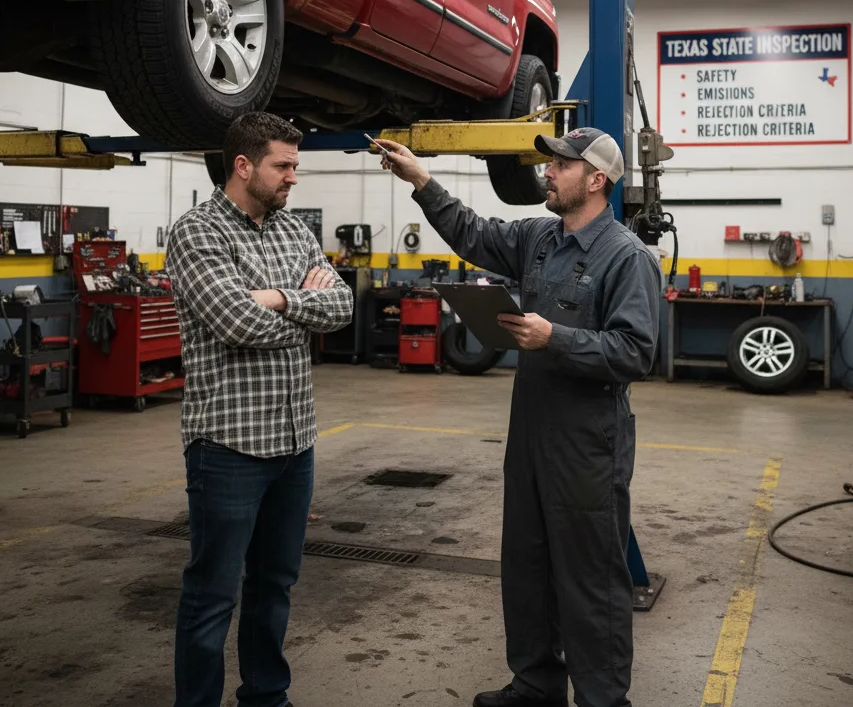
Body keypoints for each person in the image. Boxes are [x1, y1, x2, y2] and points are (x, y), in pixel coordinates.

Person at [377, 127, 661, 707]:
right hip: (530, 430)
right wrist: (422, 180)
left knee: (589, 576)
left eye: (559, 165)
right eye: (548, 164)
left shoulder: (627, 258)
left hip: (588, 442)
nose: (547, 174)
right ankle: (536, 683)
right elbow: (474, 234)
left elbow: (635, 353)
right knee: (526, 565)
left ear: (596, 180)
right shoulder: (538, 237)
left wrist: (554, 337)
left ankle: (604, 699)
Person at [167, 111, 353, 707]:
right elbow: (234, 322)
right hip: (229, 447)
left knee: (275, 585)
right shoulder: (198, 233)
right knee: (212, 593)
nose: (294, 177)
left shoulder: (293, 231)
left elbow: (343, 306)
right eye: (284, 165)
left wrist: (275, 298)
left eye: (295, 165)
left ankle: (266, 697)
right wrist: (302, 309)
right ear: (244, 165)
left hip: (295, 443)